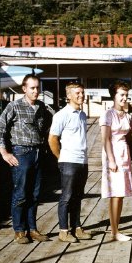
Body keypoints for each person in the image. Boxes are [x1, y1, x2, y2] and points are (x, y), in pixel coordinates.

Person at [0, 74, 51, 244]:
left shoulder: (42, 107)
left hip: (39, 153)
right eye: (32, 88)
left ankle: (32, 229)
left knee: (35, 193)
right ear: (24, 89)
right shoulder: (14, 106)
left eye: (37, 88)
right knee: (21, 193)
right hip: (21, 153)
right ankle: (19, 231)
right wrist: (5, 153)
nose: (35, 91)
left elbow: (52, 125)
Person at [48, 82, 92, 243]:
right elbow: (52, 138)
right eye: (77, 93)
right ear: (69, 96)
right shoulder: (61, 115)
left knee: (78, 196)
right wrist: (60, 157)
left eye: (82, 92)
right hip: (68, 161)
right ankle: (63, 231)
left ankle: (76, 227)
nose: (81, 96)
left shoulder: (82, 114)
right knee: (66, 196)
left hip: (82, 161)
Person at [100, 81, 132, 242]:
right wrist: (111, 160)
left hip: (124, 153)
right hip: (112, 153)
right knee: (115, 193)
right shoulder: (108, 114)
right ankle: (114, 231)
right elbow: (105, 139)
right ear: (114, 96)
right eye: (121, 94)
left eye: (126, 95)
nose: (124, 98)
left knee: (121, 194)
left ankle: (116, 228)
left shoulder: (126, 114)